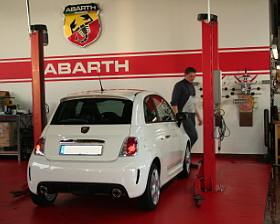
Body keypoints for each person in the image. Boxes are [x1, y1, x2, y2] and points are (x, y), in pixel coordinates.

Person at [171, 67, 202, 146]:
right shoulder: (179, 85)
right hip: (184, 114)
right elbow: (174, 102)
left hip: (192, 114)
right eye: (191, 76)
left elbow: (193, 103)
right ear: (185, 75)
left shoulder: (191, 86)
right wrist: (177, 116)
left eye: (194, 76)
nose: (193, 78)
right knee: (193, 136)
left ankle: (186, 155)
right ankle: (185, 153)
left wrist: (198, 117)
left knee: (189, 136)